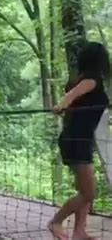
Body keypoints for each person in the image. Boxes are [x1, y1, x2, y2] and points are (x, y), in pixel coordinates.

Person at [48, 41, 110, 240]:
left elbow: (74, 97)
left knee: (84, 190)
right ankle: (56, 221)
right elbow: (71, 96)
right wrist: (61, 105)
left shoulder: (82, 78)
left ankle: (79, 232)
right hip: (76, 142)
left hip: (78, 140)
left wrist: (64, 105)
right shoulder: (91, 81)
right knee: (89, 192)